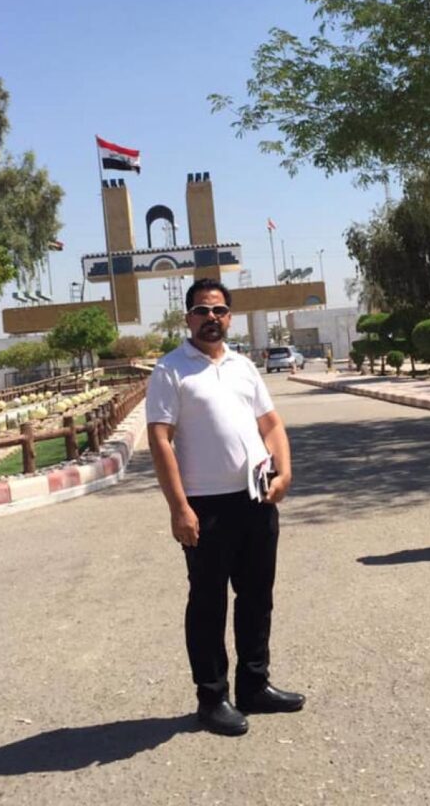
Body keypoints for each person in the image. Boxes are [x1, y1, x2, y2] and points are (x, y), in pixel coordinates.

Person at [146, 277, 305, 736]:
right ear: (188, 318)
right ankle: (212, 697)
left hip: (256, 499)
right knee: (208, 602)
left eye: (218, 310)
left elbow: (270, 424)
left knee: (257, 596)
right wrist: (179, 507)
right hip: (205, 506)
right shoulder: (171, 370)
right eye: (201, 310)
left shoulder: (243, 366)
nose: (210, 318)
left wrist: (284, 472)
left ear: (229, 317)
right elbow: (160, 440)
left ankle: (254, 685)